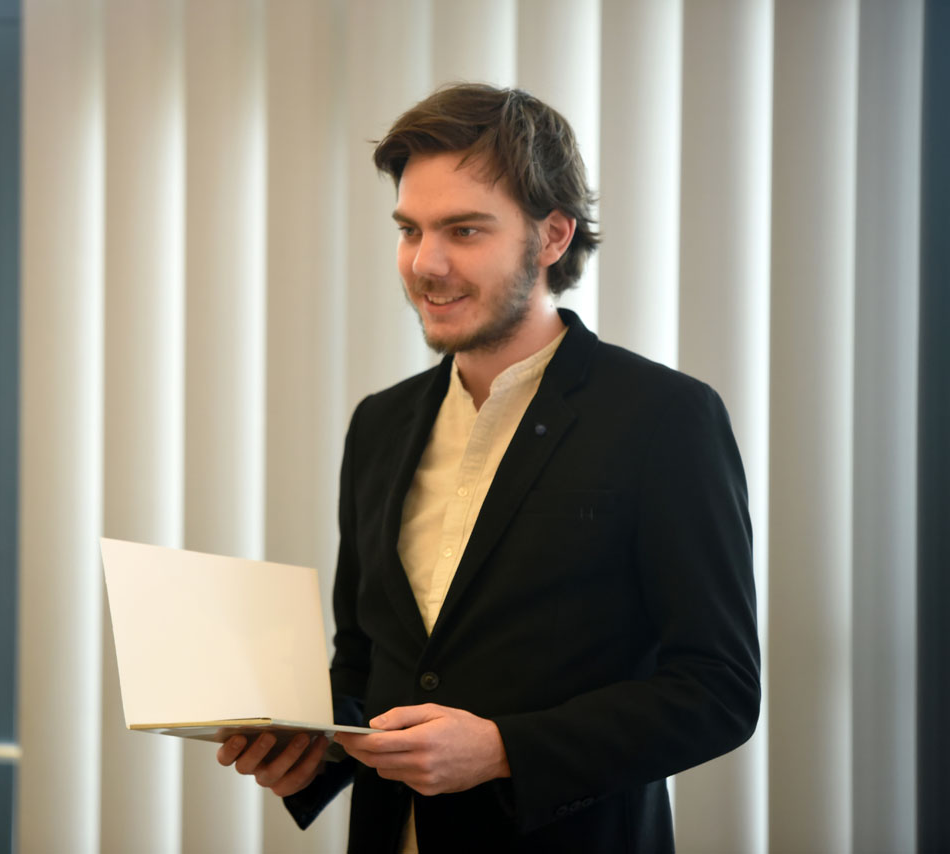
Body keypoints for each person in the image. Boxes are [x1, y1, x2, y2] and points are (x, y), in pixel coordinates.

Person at [216, 82, 760, 853]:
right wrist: (310, 749)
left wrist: (506, 749)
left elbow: (718, 691)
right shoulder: (379, 424)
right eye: (410, 230)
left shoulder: (665, 417)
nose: (425, 263)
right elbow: (368, 663)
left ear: (552, 236)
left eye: (464, 230)